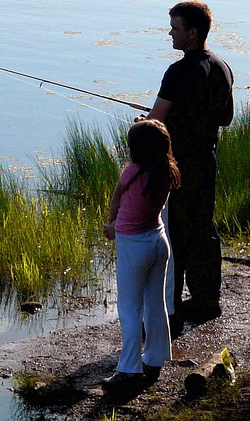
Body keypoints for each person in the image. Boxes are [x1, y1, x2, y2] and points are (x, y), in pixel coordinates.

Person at [144, 0, 234, 330]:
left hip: (177, 165)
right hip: (206, 160)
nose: (170, 33)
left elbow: (157, 120)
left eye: (175, 28)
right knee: (203, 229)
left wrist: (143, 122)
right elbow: (226, 118)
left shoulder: (178, 71)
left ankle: (173, 306)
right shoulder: (223, 66)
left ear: (192, 33)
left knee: (176, 232)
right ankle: (207, 300)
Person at [103, 119, 180, 396]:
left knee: (129, 307)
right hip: (159, 241)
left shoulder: (131, 172)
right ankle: (154, 360)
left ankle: (128, 370)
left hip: (133, 245)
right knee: (156, 303)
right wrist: (148, 127)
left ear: (135, 150)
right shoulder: (167, 171)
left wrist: (111, 224)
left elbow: (116, 199)